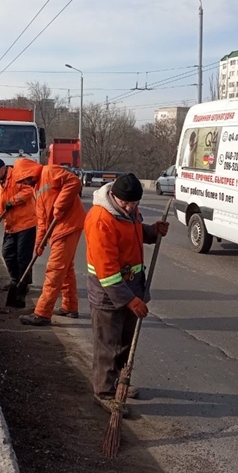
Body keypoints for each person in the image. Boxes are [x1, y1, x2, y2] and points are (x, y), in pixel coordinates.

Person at [84, 173, 168, 411]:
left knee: (124, 343)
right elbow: (107, 272)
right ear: (113, 196)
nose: (130, 207)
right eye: (126, 203)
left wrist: (152, 232)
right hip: (107, 292)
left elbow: (134, 233)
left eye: (134, 204)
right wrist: (131, 301)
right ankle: (103, 391)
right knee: (107, 346)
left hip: (131, 286)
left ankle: (120, 382)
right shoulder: (101, 220)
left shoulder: (130, 211)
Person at [11, 158, 86, 326]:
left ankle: (43, 313)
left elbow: (74, 182)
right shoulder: (36, 189)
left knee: (55, 269)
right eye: (21, 181)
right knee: (66, 269)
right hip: (59, 229)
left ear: (28, 172)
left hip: (67, 225)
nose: (25, 182)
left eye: (24, 179)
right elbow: (42, 220)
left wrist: (60, 205)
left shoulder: (49, 171)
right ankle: (70, 307)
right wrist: (39, 243)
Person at [0, 157, 37, 306]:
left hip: (26, 223)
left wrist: (12, 201)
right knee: (8, 253)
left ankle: (23, 284)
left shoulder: (17, 175)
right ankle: (15, 280)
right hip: (10, 225)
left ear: (1, 168)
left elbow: (29, 190)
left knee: (23, 256)